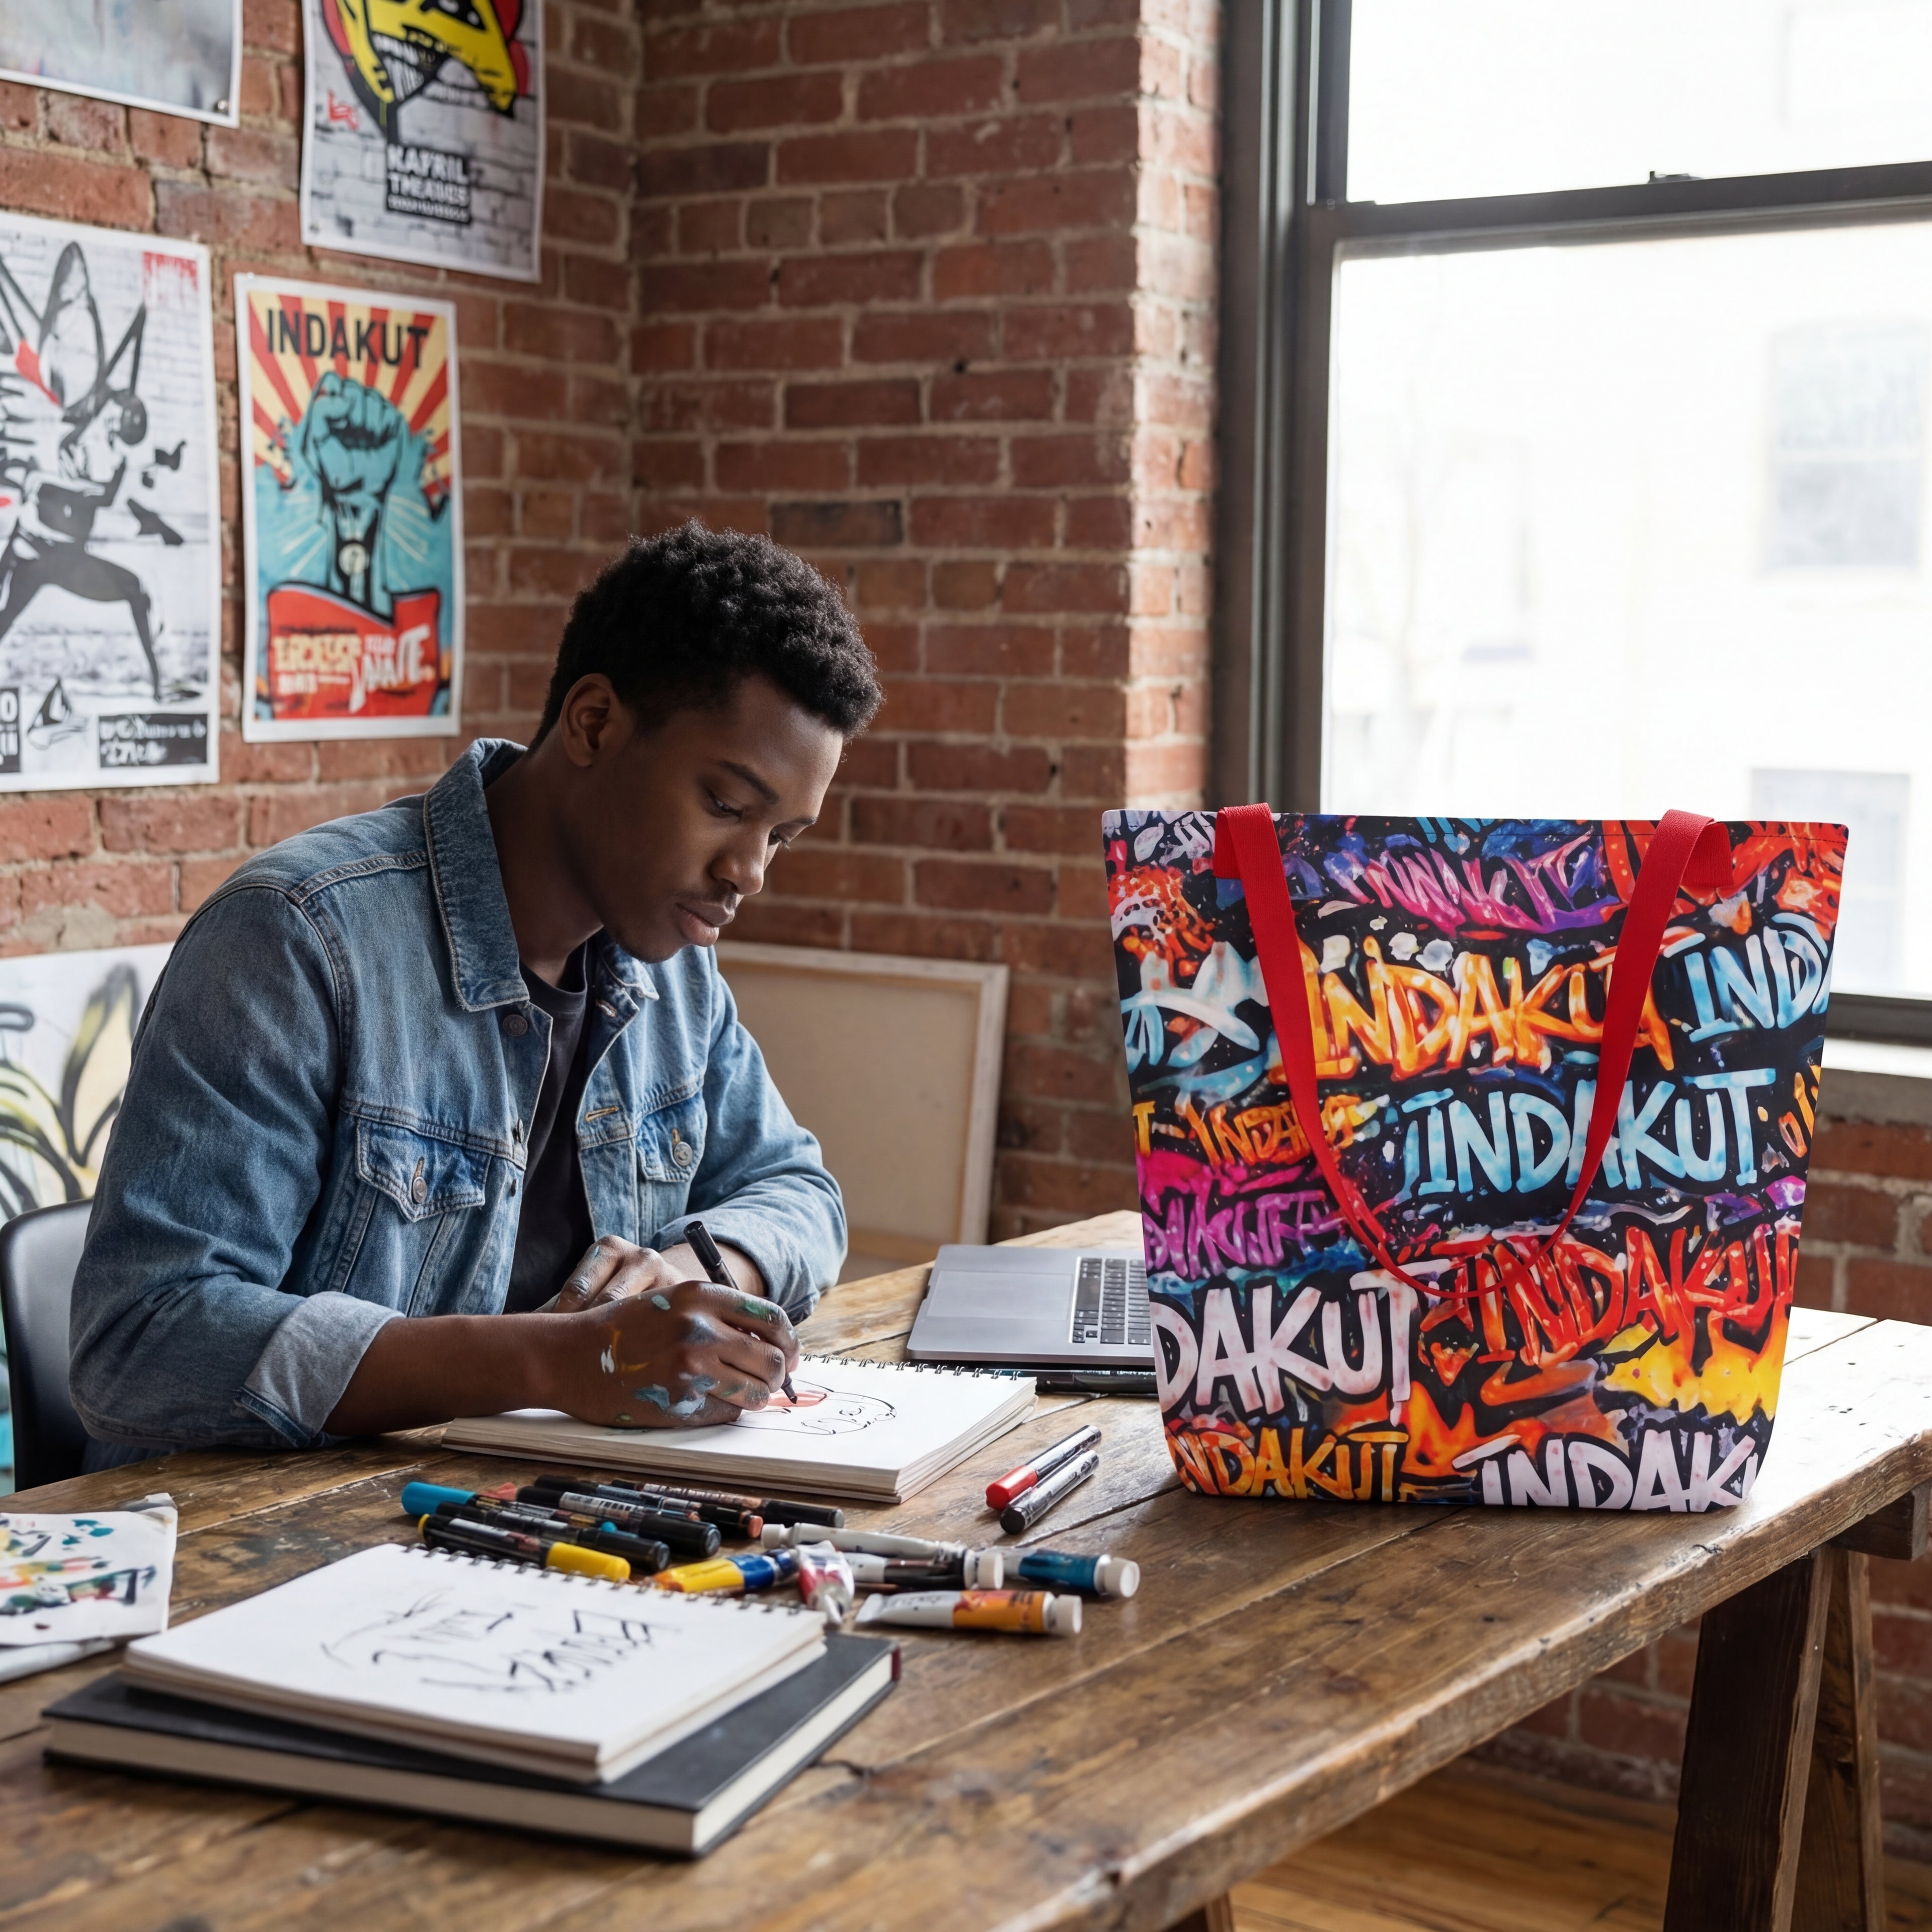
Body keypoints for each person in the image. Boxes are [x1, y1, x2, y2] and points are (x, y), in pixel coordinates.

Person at [68, 523, 881, 1467]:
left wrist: (692, 1271)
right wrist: (552, 1362)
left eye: (782, 835)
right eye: (728, 807)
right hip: (256, 1546)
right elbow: (141, 1345)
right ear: (592, 723)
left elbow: (799, 1193)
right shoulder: (295, 938)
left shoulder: (671, 966)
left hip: (507, 1519)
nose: (748, 872)